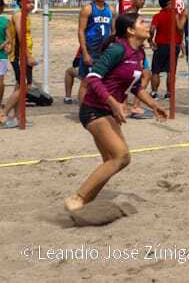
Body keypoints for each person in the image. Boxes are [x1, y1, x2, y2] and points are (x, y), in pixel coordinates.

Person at [64, 13, 169, 212]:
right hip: (94, 109)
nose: (147, 25)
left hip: (107, 111)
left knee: (116, 160)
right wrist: (114, 103)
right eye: (142, 22)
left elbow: (136, 88)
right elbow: (93, 78)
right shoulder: (117, 49)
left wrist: (154, 106)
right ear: (130, 30)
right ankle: (77, 198)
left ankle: (85, 204)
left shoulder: (138, 53)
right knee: (120, 156)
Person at [0, 0, 37, 128]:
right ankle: (3, 114)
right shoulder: (19, 15)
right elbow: (21, 38)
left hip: (23, 55)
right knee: (24, 85)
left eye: (33, 2)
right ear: (21, 2)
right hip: (20, 56)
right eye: (28, 2)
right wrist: (28, 56)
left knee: (19, 86)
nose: (31, 5)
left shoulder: (25, 16)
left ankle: (17, 116)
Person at [77, 0, 115, 105]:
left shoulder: (111, 10)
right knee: (86, 82)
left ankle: (98, 107)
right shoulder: (88, 9)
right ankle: (83, 109)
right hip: (91, 50)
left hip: (105, 51)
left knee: (103, 81)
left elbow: (114, 31)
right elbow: (81, 31)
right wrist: (85, 53)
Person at [149, 0, 185, 99]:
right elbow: (180, 29)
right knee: (170, 71)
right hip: (174, 45)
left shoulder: (157, 16)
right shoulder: (176, 14)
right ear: (168, 3)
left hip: (161, 46)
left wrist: (150, 40)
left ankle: (154, 92)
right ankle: (169, 93)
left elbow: (152, 29)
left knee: (156, 70)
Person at [0, 0, 10, 108]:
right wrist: (3, 46)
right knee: (1, 80)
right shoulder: (5, 21)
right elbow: (9, 38)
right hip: (1, 55)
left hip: (2, 54)